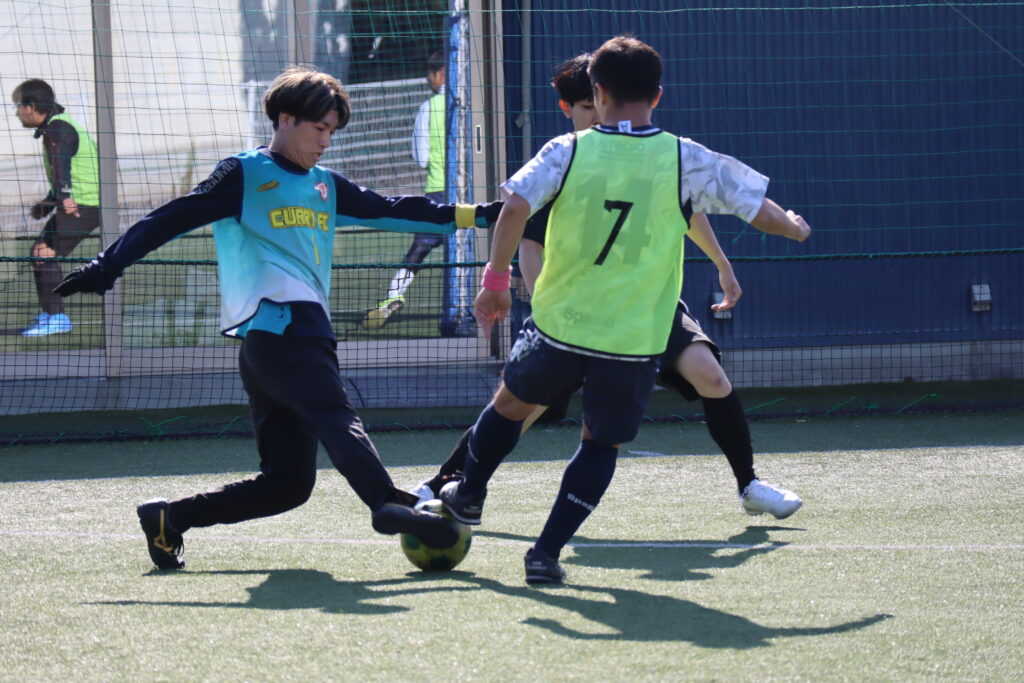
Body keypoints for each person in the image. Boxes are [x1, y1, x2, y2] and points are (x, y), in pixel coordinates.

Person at [55, 65, 499, 571]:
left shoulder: (326, 186)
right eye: (319, 128)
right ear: (286, 119)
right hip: (282, 330)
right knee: (335, 415)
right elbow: (170, 217)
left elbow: (399, 208)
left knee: (287, 485)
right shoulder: (244, 173)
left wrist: (486, 214)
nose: (326, 141)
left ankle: (169, 518)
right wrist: (106, 266)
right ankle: (385, 503)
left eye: (332, 131)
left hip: (279, 345)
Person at [439, 37, 811, 585]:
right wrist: (795, 228)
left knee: (511, 404)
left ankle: (469, 493)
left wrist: (495, 281)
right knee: (600, 442)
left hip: (561, 324)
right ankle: (544, 553)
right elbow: (757, 209)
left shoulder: (567, 150)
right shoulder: (684, 157)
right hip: (634, 337)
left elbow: (515, 206)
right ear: (657, 96)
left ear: (597, 92)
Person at [363, 49, 447, 330]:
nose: (427, 78)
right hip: (471, 193)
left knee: (420, 247)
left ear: (440, 74)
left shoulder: (429, 107)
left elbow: (421, 157)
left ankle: (393, 295)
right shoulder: (470, 107)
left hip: (438, 191)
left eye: (430, 73)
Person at [12, 79, 101, 337]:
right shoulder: (59, 125)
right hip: (83, 201)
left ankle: (57, 318)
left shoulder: (58, 129)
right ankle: (52, 315)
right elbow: (70, 167)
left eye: (18, 106)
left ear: (31, 107)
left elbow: (62, 163)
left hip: (86, 204)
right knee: (40, 254)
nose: (17, 113)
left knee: (42, 254)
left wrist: (63, 196)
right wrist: (50, 201)